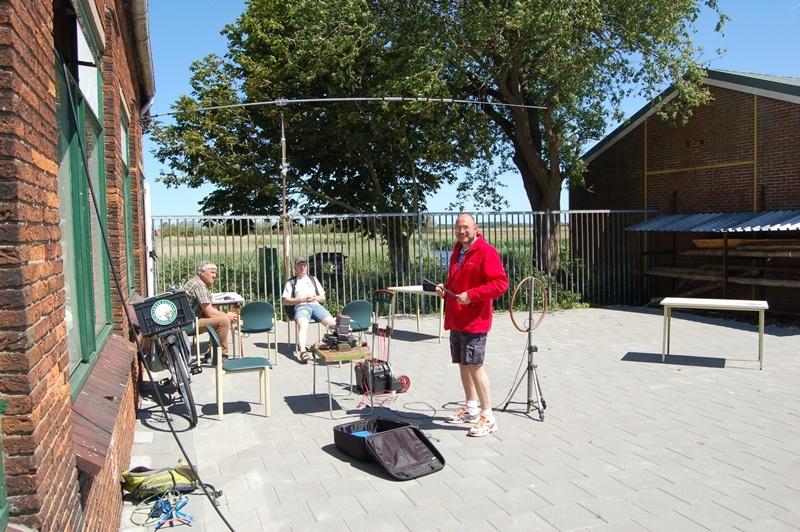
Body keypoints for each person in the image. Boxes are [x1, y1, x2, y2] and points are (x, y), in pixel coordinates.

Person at [436, 213, 508, 437]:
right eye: (458, 228)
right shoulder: (458, 249)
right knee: (463, 364)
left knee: (475, 366)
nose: (461, 231)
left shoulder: (486, 251)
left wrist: (472, 295)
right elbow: (456, 282)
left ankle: (488, 417)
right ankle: (471, 408)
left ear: (476, 228)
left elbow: (501, 284)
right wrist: (444, 288)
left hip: (475, 320)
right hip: (457, 318)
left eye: (466, 227)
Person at [282, 257, 336, 363]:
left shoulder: (313, 279)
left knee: (333, 324)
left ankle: (334, 344)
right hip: (301, 306)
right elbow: (285, 301)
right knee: (303, 325)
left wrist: (315, 298)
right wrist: (301, 299)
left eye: (304, 265)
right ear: (295, 268)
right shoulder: (291, 282)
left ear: (307, 267)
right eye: (300, 265)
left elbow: (323, 297)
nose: (302, 267)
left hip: (316, 305)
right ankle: (303, 351)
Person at [183, 261, 238, 359]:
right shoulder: (199, 285)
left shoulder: (195, 282)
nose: (215, 275)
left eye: (216, 273)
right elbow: (209, 312)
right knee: (223, 321)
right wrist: (226, 316)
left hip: (187, 321)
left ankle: (212, 353)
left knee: (219, 319)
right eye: (212, 272)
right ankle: (221, 354)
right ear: (202, 273)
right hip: (189, 324)